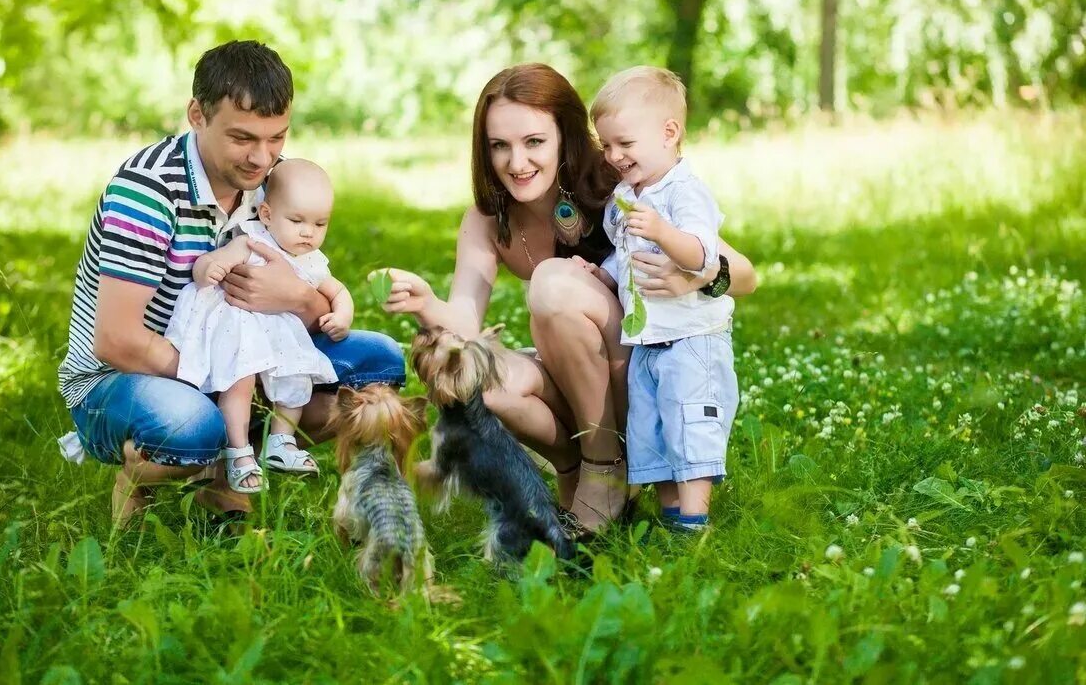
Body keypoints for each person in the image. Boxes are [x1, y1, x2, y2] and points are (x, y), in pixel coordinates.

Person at [380, 63, 756, 536]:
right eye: (500, 146)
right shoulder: (486, 219)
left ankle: (607, 469)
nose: (517, 162)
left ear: (564, 134)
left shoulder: (618, 181)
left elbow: (744, 274)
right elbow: (465, 321)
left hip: (642, 376)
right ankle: (577, 471)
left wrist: (690, 279)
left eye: (534, 142)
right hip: (581, 374)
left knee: (552, 282)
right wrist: (426, 303)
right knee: (479, 379)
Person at [55, 40, 405, 524]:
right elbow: (117, 341)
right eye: (243, 138)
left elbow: (305, 305)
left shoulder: (272, 183)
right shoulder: (148, 191)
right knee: (192, 426)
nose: (262, 158)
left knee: (379, 366)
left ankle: (221, 487)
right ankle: (152, 470)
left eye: (277, 138)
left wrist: (298, 296)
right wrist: (221, 376)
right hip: (123, 377)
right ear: (197, 115)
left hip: (242, 353)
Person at [587, 66, 739, 532]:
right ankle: (672, 516)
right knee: (653, 432)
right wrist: (603, 273)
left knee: (691, 427)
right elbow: (628, 256)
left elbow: (702, 252)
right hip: (649, 341)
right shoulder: (626, 195)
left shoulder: (683, 191)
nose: (613, 155)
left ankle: (694, 524)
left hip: (693, 339)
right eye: (606, 144)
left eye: (624, 144)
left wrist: (663, 231)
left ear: (669, 132)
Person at [164, 159, 352, 492]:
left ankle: (281, 441)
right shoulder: (252, 240)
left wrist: (342, 315)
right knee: (240, 381)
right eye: (297, 221)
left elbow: (338, 291)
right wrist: (208, 268)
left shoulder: (312, 260)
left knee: (297, 378)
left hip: (280, 336)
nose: (308, 233)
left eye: (320, 224)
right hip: (239, 331)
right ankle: (238, 450)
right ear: (266, 215)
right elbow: (211, 261)